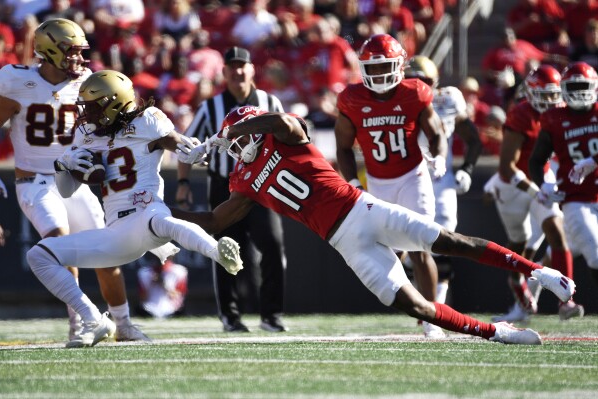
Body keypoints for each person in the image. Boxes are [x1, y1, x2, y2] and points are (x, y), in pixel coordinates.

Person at [173, 105, 577, 345]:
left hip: (365, 209)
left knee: (453, 242)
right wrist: (165, 217)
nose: (236, 148)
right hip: (345, 242)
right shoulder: (241, 180)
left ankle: (539, 270)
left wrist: (231, 129)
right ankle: (497, 333)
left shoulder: (285, 134)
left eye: (240, 137)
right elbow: (214, 219)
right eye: (231, 143)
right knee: (416, 306)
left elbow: (278, 119)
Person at [25, 69, 243, 348]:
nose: (86, 113)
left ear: (113, 103)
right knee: (39, 255)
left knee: (160, 218)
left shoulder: (148, 120)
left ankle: (218, 253)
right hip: (115, 231)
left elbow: (183, 148)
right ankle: (94, 319)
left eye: (92, 106)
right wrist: (62, 165)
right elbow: (67, 191)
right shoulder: (86, 134)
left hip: (145, 212)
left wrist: (202, 146)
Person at [0, 18, 156, 344]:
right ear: (48, 51)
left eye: (80, 52)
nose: (78, 59)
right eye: (70, 52)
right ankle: (84, 320)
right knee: (59, 242)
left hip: (74, 181)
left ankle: (123, 324)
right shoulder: (15, 81)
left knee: (106, 250)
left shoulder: (88, 81)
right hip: (35, 181)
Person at [334, 34, 447, 338]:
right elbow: (343, 147)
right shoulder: (351, 98)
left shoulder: (414, 92)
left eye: (386, 67)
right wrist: (353, 183)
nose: (380, 75)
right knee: (389, 255)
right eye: (373, 68)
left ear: (399, 67)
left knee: (422, 247)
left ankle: (432, 317)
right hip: (377, 183)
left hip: (413, 176)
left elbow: (436, 133)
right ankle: (417, 308)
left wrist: (440, 157)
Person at [177, 46, 288, 333]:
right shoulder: (211, 106)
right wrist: (183, 183)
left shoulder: (269, 101)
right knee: (224, 250)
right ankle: (230, 316)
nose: (238, 71)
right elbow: (187, 146)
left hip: (263, 187)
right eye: (232, 67)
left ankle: (271, 315)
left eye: (243, 66)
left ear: (252, 70)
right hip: (224, 187)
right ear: (224, 72)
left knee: (273, 247)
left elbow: (287, 139)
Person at [488, 65, 583, 322]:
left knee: (556, 230)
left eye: (554, 94)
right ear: (530, 93)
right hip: (514, 187)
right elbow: (507, 167)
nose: (550, 101)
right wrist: (533, 190)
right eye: (545, 95)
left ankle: (566, 301)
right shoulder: (521, 115)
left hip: (542, 177)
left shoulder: (562, 113)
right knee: (520, 248)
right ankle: (518, 290)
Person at [403, 55, 482, 314]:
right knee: (402, 244)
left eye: (424, 81)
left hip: (439, 180)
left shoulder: (447, 100)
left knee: (443, 241)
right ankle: (419, 296)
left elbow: (473, 138)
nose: (419, 86)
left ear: (434, 82)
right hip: (405, 179)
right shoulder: (393, 101)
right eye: (412, 80)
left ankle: (436, 305)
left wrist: (467, 169)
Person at [530, 61, 598, 288]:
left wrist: (593, 160)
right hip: (577, 199)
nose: (579, 93)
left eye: (583, 87)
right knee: (596, 256)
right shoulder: (554, 118)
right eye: (574, 87)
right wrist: (544, 185)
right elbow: (536, 161)